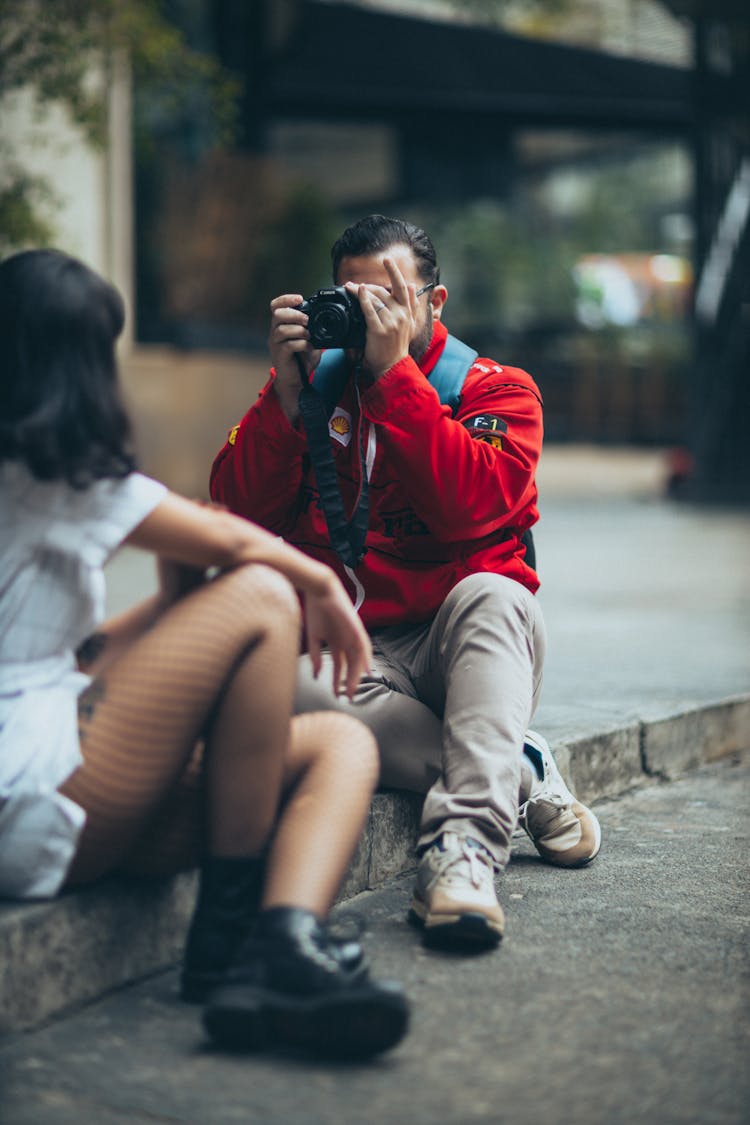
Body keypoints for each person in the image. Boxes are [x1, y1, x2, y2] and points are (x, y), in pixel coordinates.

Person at [0, 248, 410, 1059]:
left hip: (52, 767)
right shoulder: (43, 472)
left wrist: (190, 602)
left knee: (339, 741)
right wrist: (318, 588)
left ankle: (282, 943)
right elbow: (228, 537)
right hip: (29, 790)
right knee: (261, 591)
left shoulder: (43, 483)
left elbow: (112, 632)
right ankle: (225, 953)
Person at [210, 214, 601, 952]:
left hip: (462, 652)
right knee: (289, 686)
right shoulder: (312, 390)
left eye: (389, 296)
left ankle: (463, 855)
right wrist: (284, 406)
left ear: (436, 300)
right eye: (352, 297)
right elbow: (235, 514)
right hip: (352, 652)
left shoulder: (498, 391)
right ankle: (516, 767)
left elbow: (467, 506)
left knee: (497, 595)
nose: (369, 315)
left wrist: (396, 380)